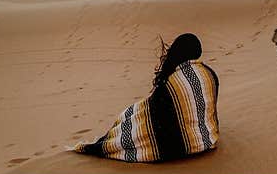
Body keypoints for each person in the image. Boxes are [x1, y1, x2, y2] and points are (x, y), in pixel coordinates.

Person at [70, 33, 220, 162]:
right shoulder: (210, 74)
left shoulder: (173, 81)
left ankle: (108, 143)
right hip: (207, 141)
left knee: (131, 117)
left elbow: (155, 115)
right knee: (137, 112)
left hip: (182, 150)